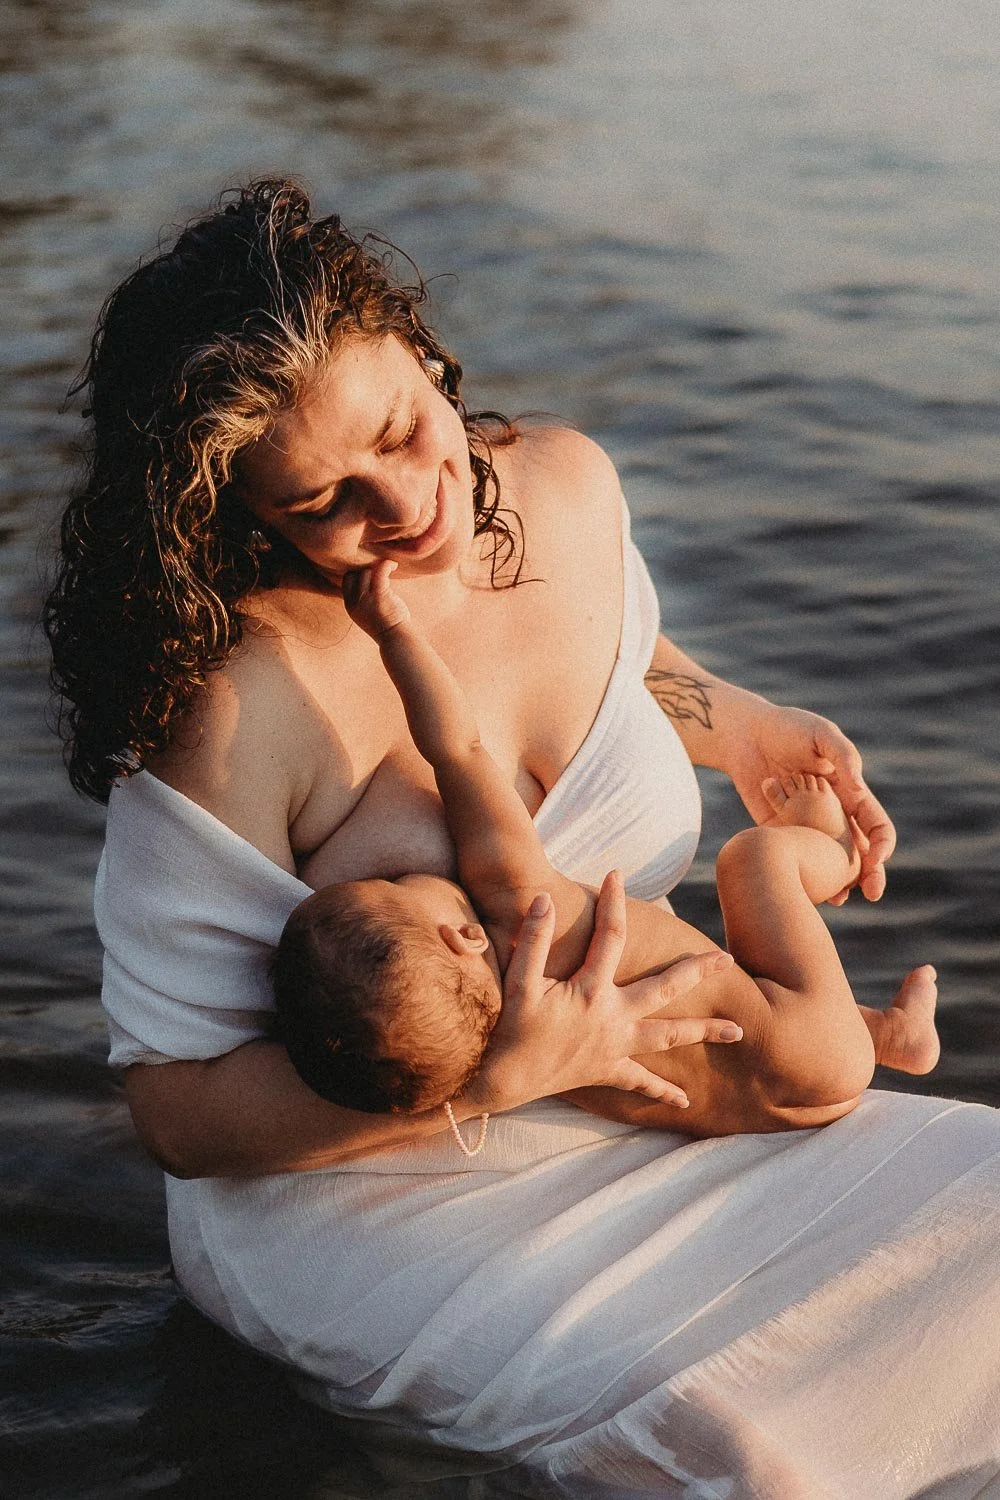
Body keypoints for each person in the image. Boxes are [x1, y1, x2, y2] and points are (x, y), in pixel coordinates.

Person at [45, 180, 1000, 1496]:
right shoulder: (228, 708)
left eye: (401, 427)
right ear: (246, 517)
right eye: (324, 502)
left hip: (673, 1101)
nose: (401, 503)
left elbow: (621, 658)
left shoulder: (562, 486)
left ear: (414, 340)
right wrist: (485, 1079)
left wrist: (743, 723)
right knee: (747, 1455)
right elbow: (179, 1114)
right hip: (388, 1200)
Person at [274, 557, 939, 1139]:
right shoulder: (523, 906)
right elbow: (458, 749)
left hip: (773, 1103)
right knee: (752, 861)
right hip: (812, 1042)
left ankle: (886, 1038)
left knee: (735, 1026)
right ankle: (831, 848)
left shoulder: (505, 1055)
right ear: (462, 939)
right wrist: (394, 633)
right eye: (390, 886)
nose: (399, 873)